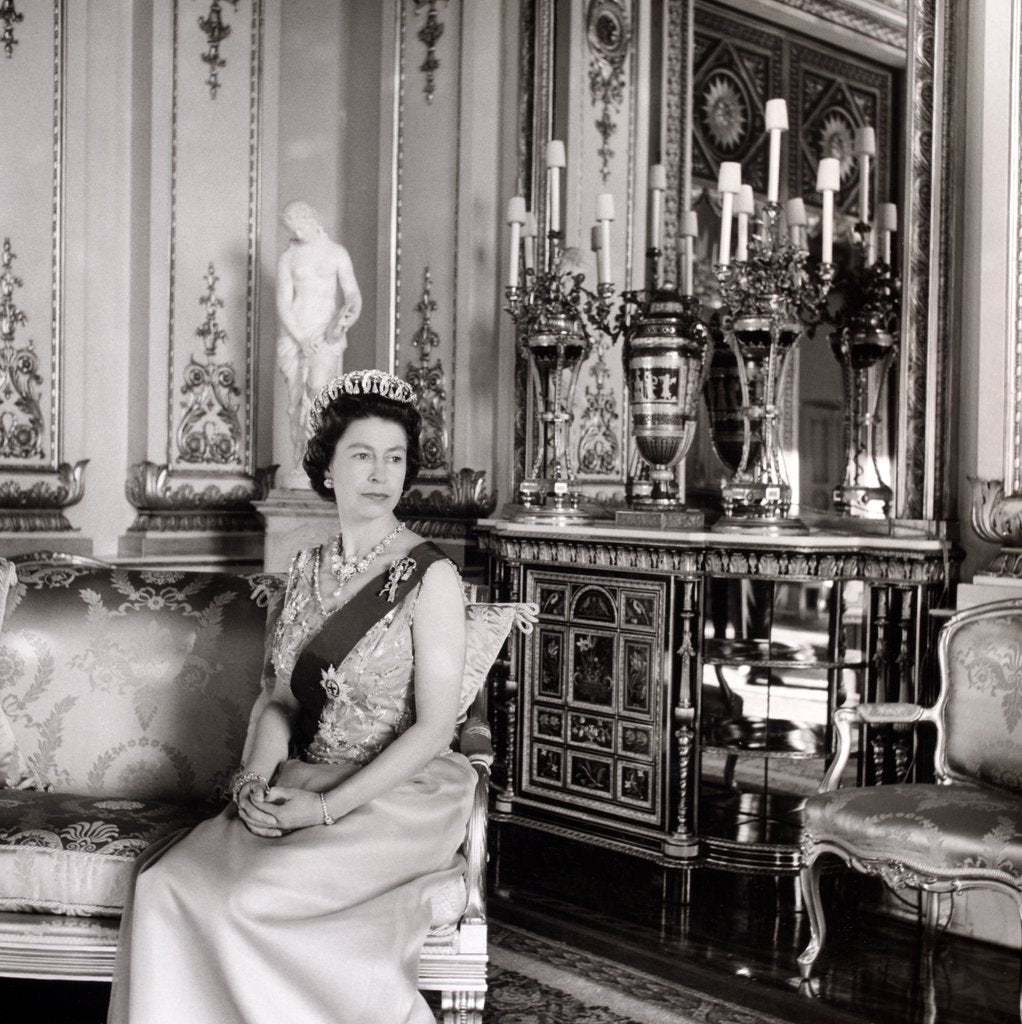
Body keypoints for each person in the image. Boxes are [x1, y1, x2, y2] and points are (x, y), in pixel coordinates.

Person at [108, 369, 473, 1024]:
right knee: (167, 882)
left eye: (394, 458)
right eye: (362, 455)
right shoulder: (305, 569)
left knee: (247, 899)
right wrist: (252, 779)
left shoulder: (432, 577)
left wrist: (324, 810)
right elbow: (280, 698)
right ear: (327, 468)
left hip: (393, 796)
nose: (380, 474)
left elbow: (435, 730)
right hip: (301, 776)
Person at [276, 201, 363, 486]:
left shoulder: (337, 253)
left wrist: (344, 320)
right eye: (292, 230)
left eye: (299, 227)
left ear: (312, 220)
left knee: (318, 388)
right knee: (295, 401)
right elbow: (283, 304)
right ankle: (301, 462)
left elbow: (353, 295)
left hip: (326, 332)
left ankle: (320, 460)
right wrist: (300, 339)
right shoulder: (288, 258)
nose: (297, 233)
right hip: (296, 334)